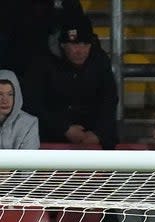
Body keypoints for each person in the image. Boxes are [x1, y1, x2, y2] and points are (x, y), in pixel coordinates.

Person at [22, 16, 117, 148]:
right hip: (50, 137)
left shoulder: (99, 60)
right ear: (62, 44)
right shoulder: (42, 62)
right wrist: (64, 128)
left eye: (85, 44)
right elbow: (33, 103)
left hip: (92, 136)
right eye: (74, 44)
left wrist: (98, 133)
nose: (80, 51)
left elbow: (109, 99)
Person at [0, 70, 39, 150]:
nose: (5, 100)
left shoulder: (30, 123)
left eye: (10, 94)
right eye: (0, 94)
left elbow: (29, 159)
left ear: (17, 96)